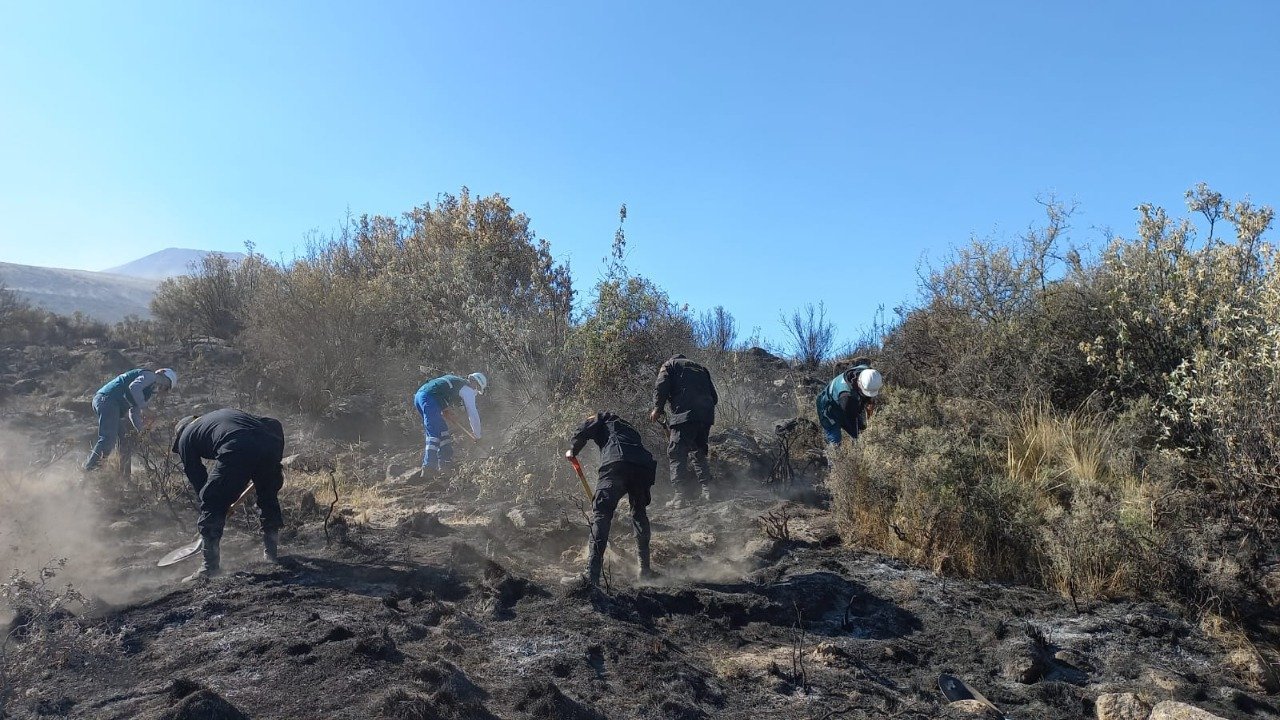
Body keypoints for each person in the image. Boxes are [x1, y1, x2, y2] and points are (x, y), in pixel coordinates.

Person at [171, 409, 286, 581]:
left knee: (211, 500)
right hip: (269, 442)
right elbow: (273, 423)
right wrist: (274, 458)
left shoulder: (185, 436)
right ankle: (272, 554)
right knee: (267, 497)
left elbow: (198, 480)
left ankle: (209, 568)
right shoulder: (221, 416)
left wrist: (213, 508)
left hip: (237, 445)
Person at [566, 411, 658, 587]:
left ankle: (591, 576)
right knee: (639, 513)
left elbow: (584, 428)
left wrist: (573, 449)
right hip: (643, 467)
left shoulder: (603, 417)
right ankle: (645, 571)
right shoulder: (631, 429)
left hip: (616, 464)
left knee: (601, 513)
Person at [649, 354, 718, 507]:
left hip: (685, 415)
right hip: (706, 416)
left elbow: (661, 386)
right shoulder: (701, 368)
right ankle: (709, 491)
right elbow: (715, 397)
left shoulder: (669, 365)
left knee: (676, 453)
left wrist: (657, 409)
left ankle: (680, 497)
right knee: (698, 452)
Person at [83, 367, 177, 471]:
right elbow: (134, 387)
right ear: (162, 374)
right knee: (108, 438)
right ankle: (89, 470)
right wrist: (145, 408)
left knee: (125, 441)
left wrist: (142, 432)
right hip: (108, 400)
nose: (163, 388)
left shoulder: (147, 392)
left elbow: (134, 412)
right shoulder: (150, 376)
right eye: (166, 384)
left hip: (110, 404)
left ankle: (124, 477)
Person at [413, 372, 487, 475]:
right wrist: (478, 436)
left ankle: (445, 464)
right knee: (434, 434)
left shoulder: (456, 381)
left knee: (442, 431)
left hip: (420, 396)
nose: (476, 391)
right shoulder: (467, 389)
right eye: (477, 388)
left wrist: (445, 410)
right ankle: (429, 467)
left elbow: (439, 392)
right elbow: (473, 413)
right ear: (474, 383)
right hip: (429, 398)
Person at [816, 360, 883, 445]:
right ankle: (832, 456)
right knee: (835, 440)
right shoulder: (846, 397)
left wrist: (869, 401)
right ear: (859, 384)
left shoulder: (868, 373)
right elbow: (850, 417)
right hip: (827, 407)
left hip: (844, 401)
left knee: (860, 432)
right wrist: (862, 434)